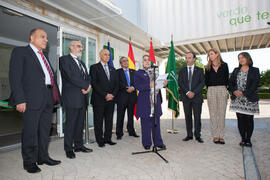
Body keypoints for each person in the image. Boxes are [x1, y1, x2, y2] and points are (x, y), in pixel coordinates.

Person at [9, 28, 61, 173]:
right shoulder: (20, 52)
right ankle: (29, 161)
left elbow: (49, 77)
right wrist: (20, 99)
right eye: (42, 37)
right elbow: (15, 77)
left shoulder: (44, 56)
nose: (46, 39)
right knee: (30, 131)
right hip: (31, 98)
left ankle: (43, 157)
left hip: (48, 97)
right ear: (32, 38)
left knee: (45, 130)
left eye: (46, 37)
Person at [59, 40, 93, 159]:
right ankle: (68, 148)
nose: (81, 49)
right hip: (72, 98)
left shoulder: (82, 63)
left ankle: (79, 145)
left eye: (81, 47)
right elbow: (71, 76)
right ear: (71, 47)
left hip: (82, 98)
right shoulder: (64, 60)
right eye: (79, 46)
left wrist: (88, 86)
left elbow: (88, 77)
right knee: (70, 124)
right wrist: (85, 86)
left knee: (79, 124)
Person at [133, 55, 166, 150]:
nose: (147, 62)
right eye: (145, 60)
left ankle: (158, 142)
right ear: (142, 62)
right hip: (145, 102)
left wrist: (164, 84)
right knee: (145, 124)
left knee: (156, 123)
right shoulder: (138, 73)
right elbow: (137, 86)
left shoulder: (156, 72)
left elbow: (159, 84)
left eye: (149, 60)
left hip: (155, 101)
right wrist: (149, 85)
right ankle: (146, 143)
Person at [228, 52, 260, 147]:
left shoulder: (255, 70)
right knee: (240, 119)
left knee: (249, 119)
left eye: (243, 57)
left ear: (248, 58)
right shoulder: (235, 70)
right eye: (239, 58)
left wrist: (244, 93)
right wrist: (234, 91)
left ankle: (248, 140)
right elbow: (230, 83)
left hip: (249, 99)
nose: (241, 59)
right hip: (237, 99)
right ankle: (243, 139)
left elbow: (255, 84)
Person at [90, 49, 119, 147]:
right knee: (98, 121)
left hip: (111, 99)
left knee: (109, 120)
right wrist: (105, 95)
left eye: (109, 55)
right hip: (99, 99)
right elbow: (94, 83)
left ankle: (108, 138)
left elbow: (117, 84)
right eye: (105, 54)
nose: (107, 56)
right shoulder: (94, 67)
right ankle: (100, 140)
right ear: (100, 55)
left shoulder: (112, 69)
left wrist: (112, 95)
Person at [178, 52, 205, 143]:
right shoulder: (182, 70)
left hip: (197, 97)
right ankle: (189, 135)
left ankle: (197, 135)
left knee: (197, 117)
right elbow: (180, 82)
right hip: (186, 97)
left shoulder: (200, 70)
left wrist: (194, 92)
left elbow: (202, 83)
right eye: (186, 58)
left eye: (189, 58)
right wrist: (187, 92)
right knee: (188, 116)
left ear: (194, 59)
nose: (187, 60)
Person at [205, 48, 229, 144]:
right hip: (211, 90)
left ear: (217, 54)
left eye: (211, 54)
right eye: (209, 55)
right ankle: (215, 135)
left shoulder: (224, 65)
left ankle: (221, 136)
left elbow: (227, 78)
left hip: (222, 89)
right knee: (213, 113)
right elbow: (206, 81)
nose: (210, 56)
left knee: (221, 113)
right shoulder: (207, 67)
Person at [116, 56, 139, 140]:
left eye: (127, 61)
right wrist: (127, 88)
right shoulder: (117, 72)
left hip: (132, 96)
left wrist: (133, 88)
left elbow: (138, 82)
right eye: (123, 61)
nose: (126, 62)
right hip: (122, 97)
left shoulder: (134, 71)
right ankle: (119, 133)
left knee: (130, 115)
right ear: (121, 63)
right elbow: (117, 83)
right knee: (120, 116)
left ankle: (131, 131)